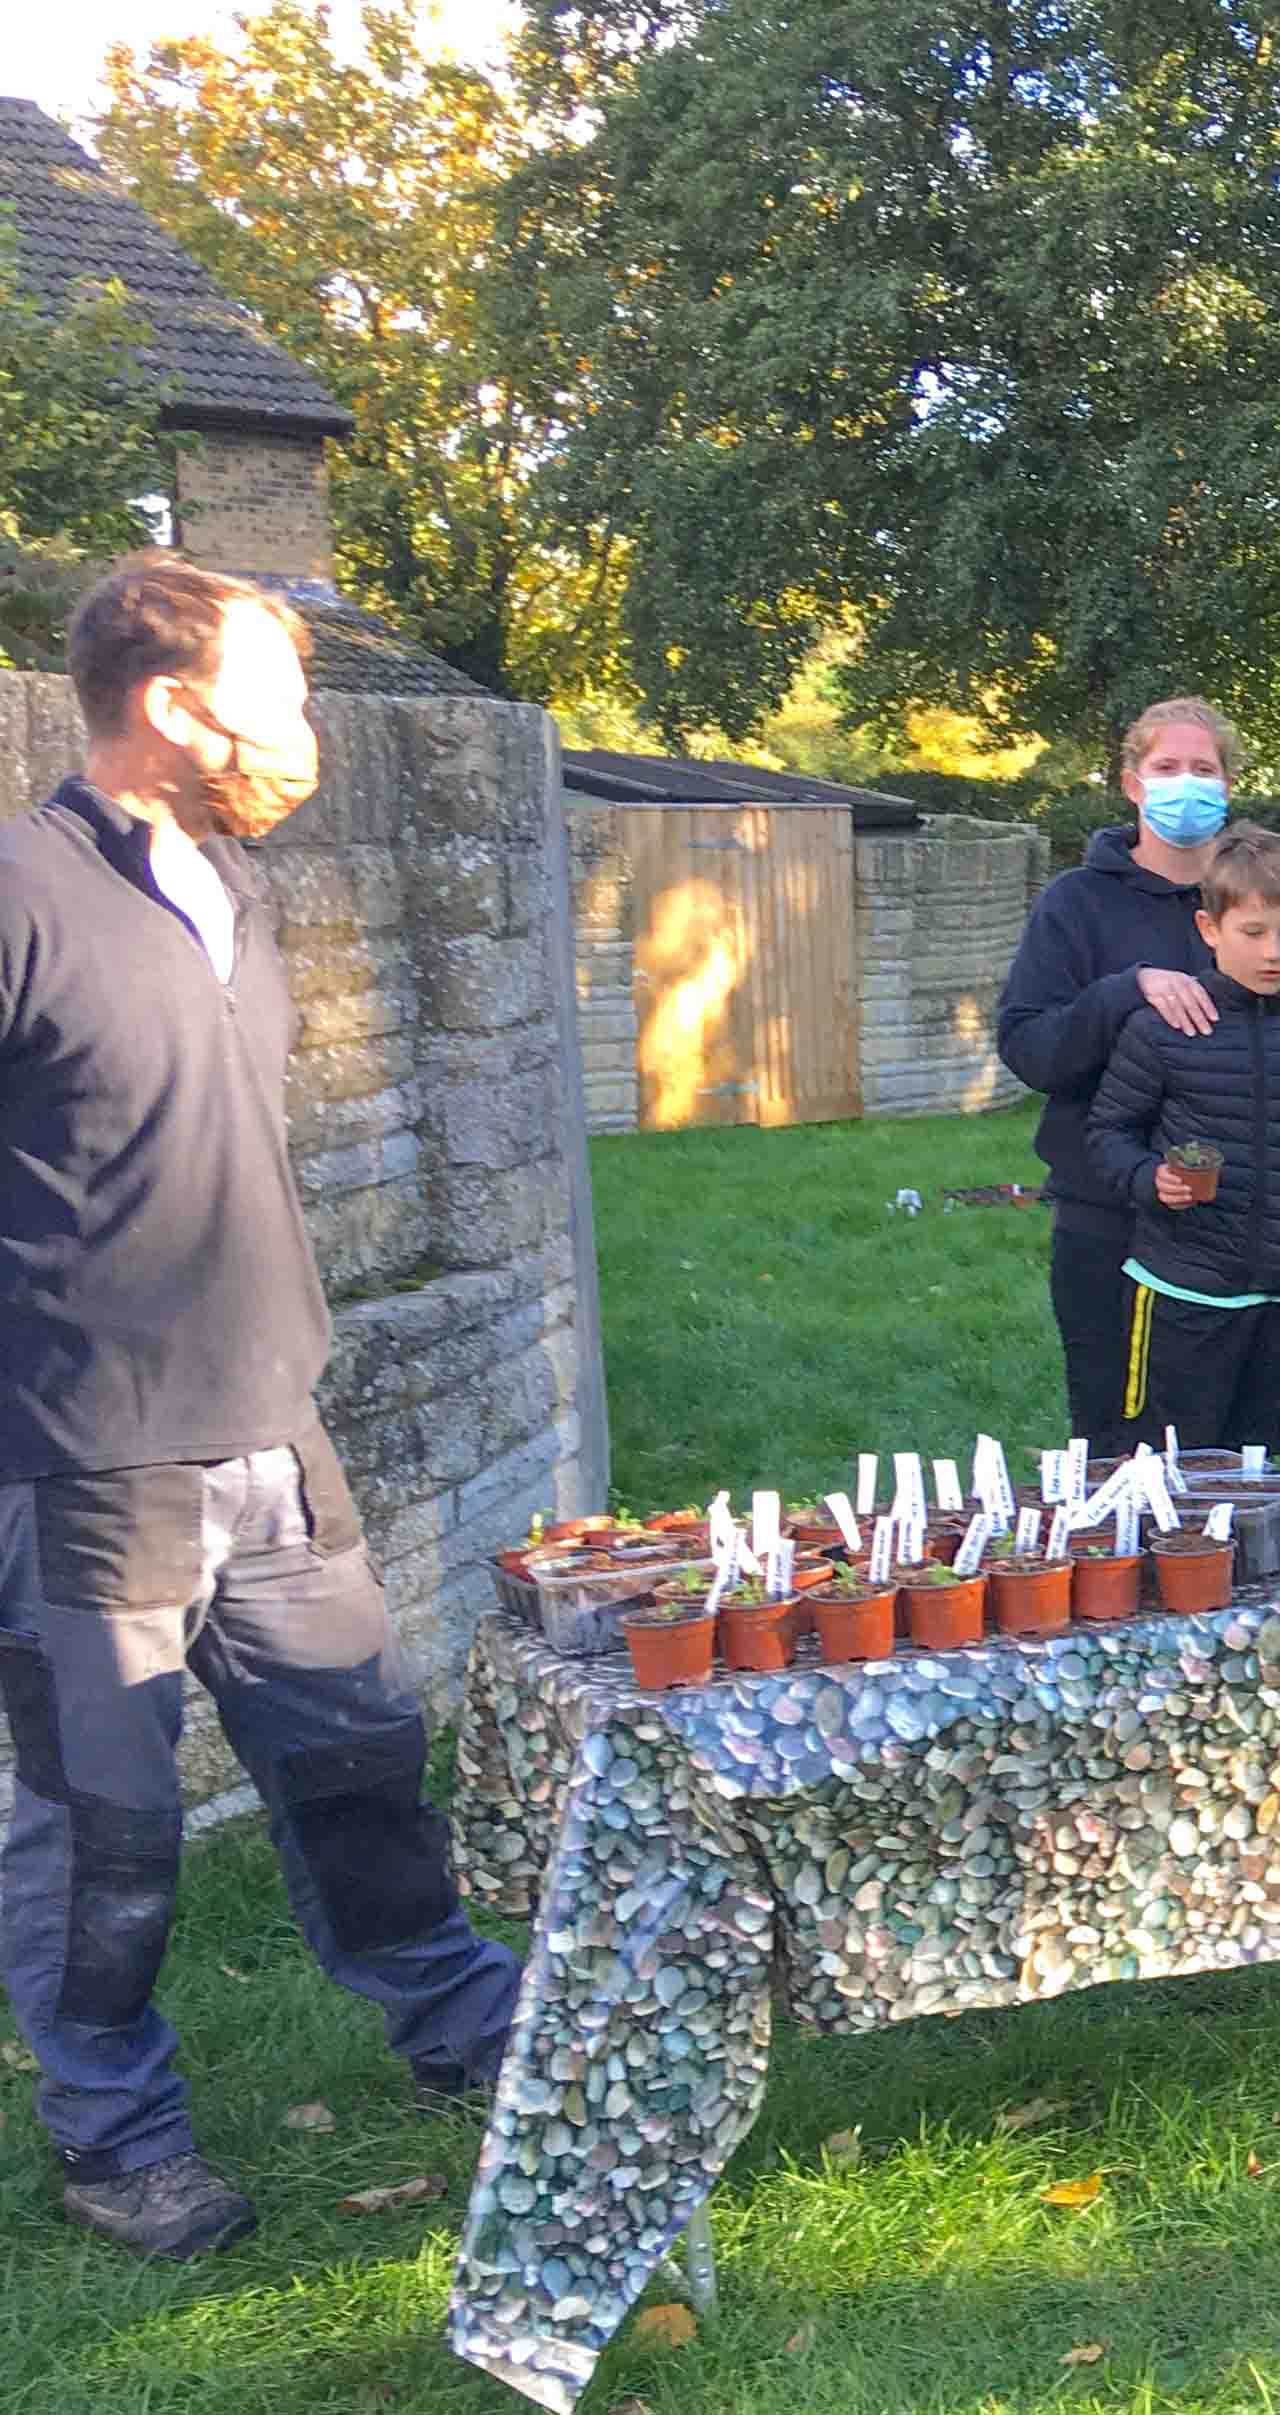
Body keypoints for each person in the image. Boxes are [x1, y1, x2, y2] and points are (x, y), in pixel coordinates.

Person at [0, 557, 523, 2261]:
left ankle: (458, 2018)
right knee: (109, 1828)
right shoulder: (19, 889)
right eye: (274, 696)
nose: (301, 731)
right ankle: (114, 2132)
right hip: (88, 1456)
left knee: (361, 1756)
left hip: (274, 1425)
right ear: (170, 703)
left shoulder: (231, 885)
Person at [999, 699, 1280, 1444]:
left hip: (1263, 1234)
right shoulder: (1077, 904)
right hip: (1112, 1224)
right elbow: (1030, 1048)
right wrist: (1124, 991)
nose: (1185, 782)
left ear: (1228, 783)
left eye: (1203, 768)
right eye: (1166, 767)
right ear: (1132, 783)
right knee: (1125, 1443)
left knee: (1257, 1451)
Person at [1083, 825, 1280, 1451]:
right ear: (1209, 929)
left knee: (1276, 1468)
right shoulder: (1162, 1028)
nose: (1272, 952)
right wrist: (1149, 1178)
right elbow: (1108, 1133)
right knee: (1171, 1470)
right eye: (1253, 932)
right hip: (1180, 1295)